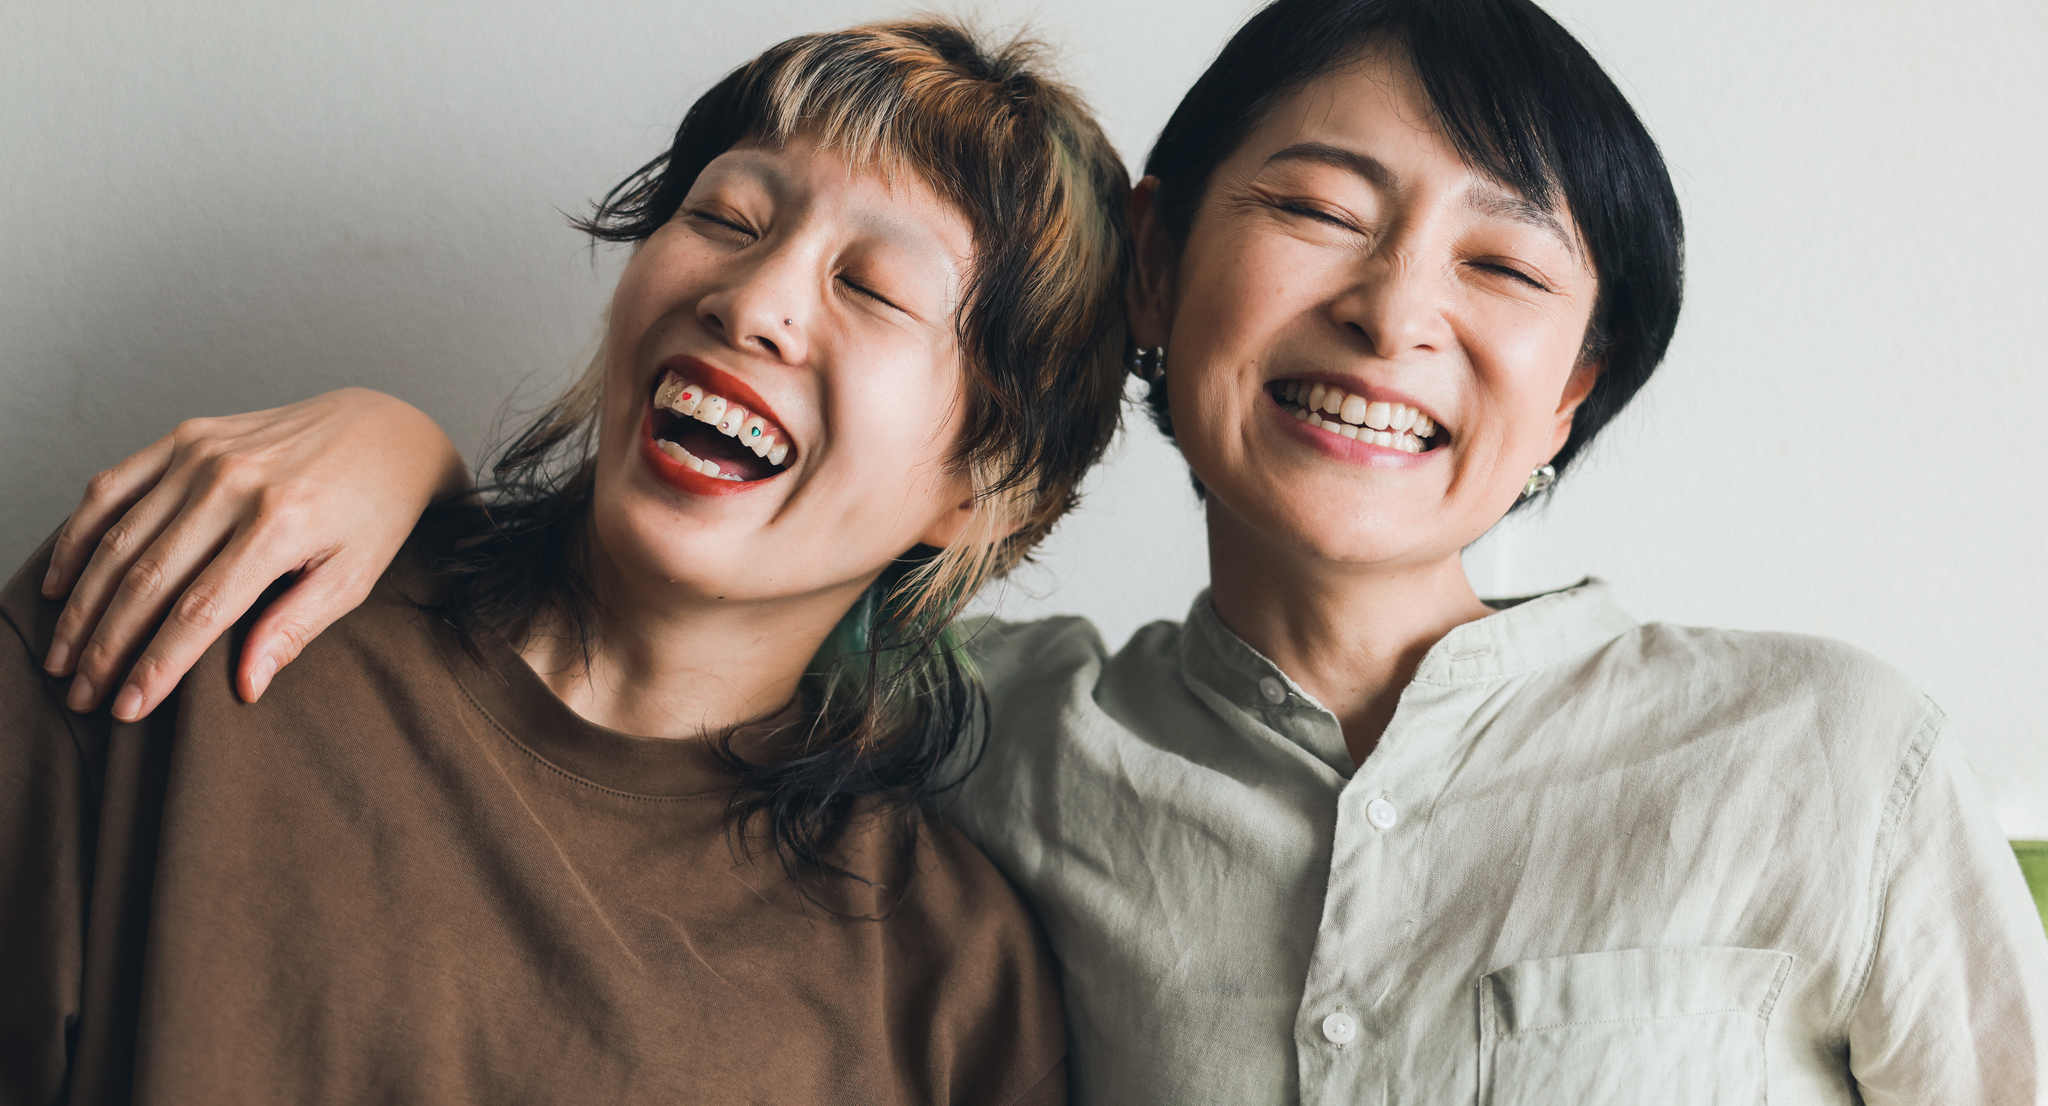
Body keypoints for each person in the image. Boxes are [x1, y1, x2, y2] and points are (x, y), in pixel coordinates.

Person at [28, 0, 2048, 1101]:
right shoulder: (985, 759)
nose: (1394, 310)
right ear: (1163, 274)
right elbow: (672, 638)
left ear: (1581, 385)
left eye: (1503, 264)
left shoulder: (1826, 757)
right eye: (1324, 208)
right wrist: (398, 457)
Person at [0, 18, 1137, 1104]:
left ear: (982, 485)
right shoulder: (214, 586)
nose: (750, 301)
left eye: (870, 286)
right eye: (728, 217)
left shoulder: (955, 988)